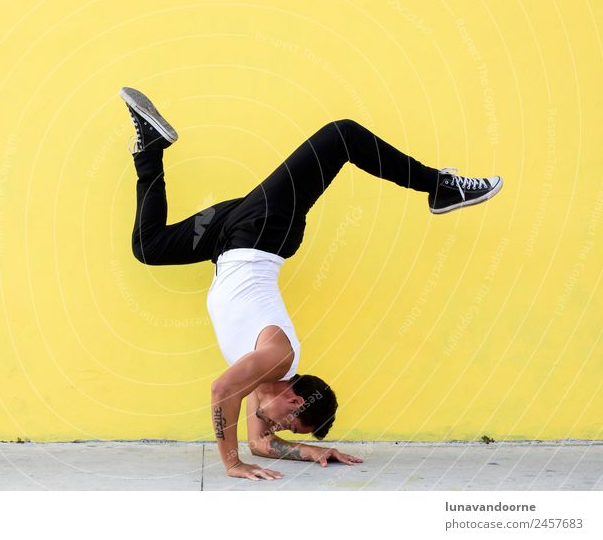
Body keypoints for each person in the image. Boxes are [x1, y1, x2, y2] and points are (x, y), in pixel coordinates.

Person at [118, 86, 503, 481]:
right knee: (341, 136)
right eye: (292, 423)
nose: (279, 428)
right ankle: (440, 185)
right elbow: (221, 392)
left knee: (148, 247)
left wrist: (310, 449)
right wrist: (231, 464)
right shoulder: (276, 361)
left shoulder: (259, 381)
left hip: (228, 239)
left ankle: (150, 146)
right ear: (295, 399)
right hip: (263, 230)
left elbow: (262, 446)